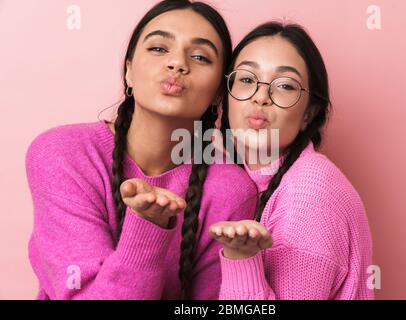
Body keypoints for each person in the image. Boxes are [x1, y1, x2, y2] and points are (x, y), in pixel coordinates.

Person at [25, 0, 257, 300]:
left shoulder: (231, 190)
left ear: (217, 93)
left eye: (200, 56)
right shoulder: (62, 155)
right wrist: (148, 226)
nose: (177, 64)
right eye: (159, 48)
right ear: (129, 71)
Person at [209, 22, 374, 299]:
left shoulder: (310, 194)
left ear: (309, 114)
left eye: (284, 85)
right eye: (247, 79)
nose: (261, 97)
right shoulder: (245, 177)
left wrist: (240, 258)